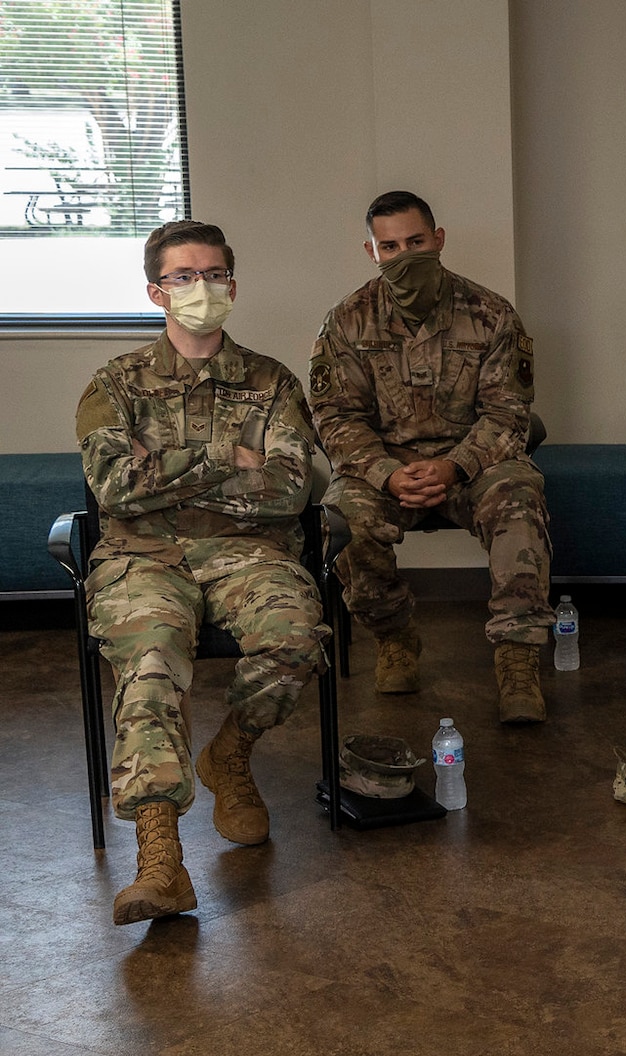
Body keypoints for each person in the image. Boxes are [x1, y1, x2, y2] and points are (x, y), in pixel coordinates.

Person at [75, 220, 328, 924]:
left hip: (249, 551)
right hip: (142, 558)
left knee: (297, 635)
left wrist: (169, 474)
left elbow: (290, 490)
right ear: (157, 291)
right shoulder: (115, 384)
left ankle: (231, 753)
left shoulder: (271, 381)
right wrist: (227, 460)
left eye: (214, 274)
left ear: (234, 286)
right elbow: (114, 490)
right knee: (151, 661)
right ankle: (161, 861)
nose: (202, 288)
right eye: (184, 277)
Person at [310, 190, 553, 723]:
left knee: (519, 498)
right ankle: (395, 637)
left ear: (438, 240)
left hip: (475, 464)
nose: (405, 255)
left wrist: (455, 466)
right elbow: (335, 418)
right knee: (341, 516)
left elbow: (509, 413)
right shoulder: (347, 321)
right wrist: (387, 474)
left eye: (416, 242)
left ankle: (517, 660)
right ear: (372, 251)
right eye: (390, 245)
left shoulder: (490, 314)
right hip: (386, 467)